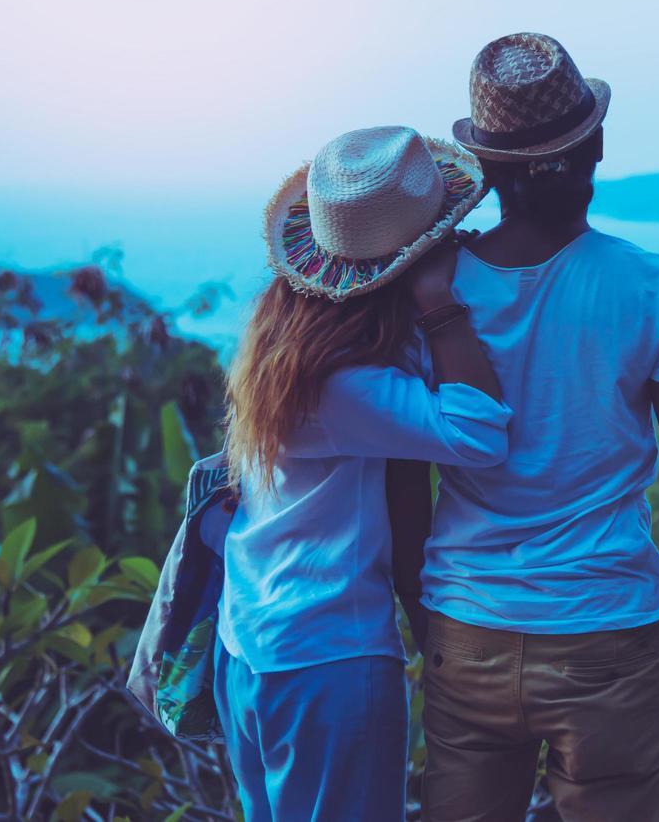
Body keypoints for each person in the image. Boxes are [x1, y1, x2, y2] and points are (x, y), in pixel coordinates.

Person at [388, 33, 659, 822]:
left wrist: (415, 599)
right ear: (599, 146)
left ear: (487, 173)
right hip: (609, 634)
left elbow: (404, 468)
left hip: (465, 625)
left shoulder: (431, 293)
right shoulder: (656, 289)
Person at [209, 125, 512, 822]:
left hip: (251, 642)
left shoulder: (283, 340)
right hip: (327, 661)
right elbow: (480, 431)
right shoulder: (343, 384)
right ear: (413, 259)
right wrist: (439, 304)